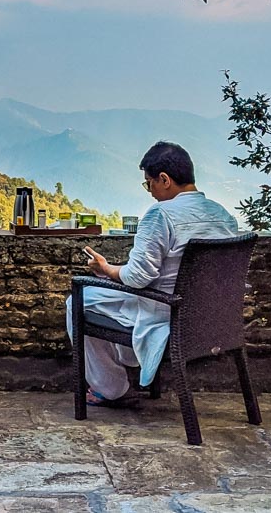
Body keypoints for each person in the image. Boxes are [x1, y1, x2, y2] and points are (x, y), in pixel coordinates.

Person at [66, 141, 240, 406]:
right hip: (210, 317)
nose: (150, 192)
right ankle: (123, 369)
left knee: (78, 300)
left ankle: (110, 388)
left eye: (149, 184)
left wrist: (105, 269)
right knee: (99, 298)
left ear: (164, 179)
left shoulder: (161, 214)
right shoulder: (222, 215)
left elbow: (138, 278)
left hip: (164, 313)